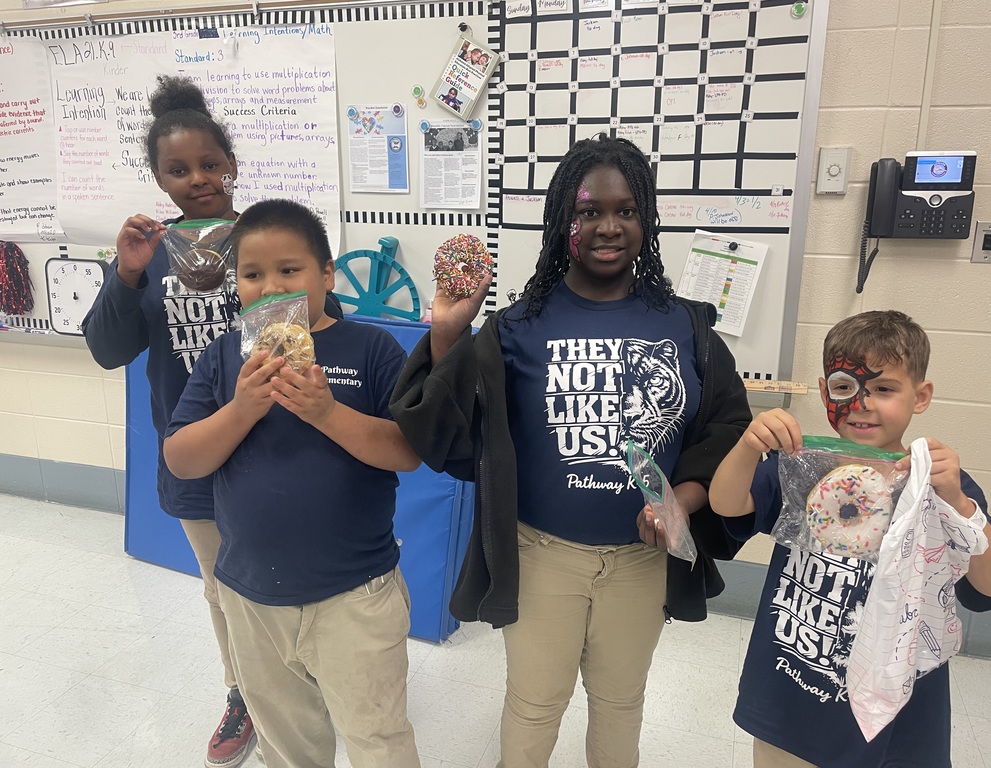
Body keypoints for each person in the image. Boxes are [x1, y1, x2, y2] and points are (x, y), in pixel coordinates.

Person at [389, 134, 752, 767]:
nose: (608, 226)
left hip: (642, 562)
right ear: (563, 221)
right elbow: (451, 435)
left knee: (620, 702)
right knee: (534, 704)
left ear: (647, 219)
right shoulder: (518, 326)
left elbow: (725, 430)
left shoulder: (685, 326)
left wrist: (683, 500)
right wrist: (448, 332)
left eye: (626, 210)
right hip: (541, 557)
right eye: (589, 211)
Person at [163, 199, 422, 768]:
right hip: (251, 596)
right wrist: (241, 410)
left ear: (327, 274)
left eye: (289, 269)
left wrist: (328, 413)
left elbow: (406, 452)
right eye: (252, 274)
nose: (271, 287)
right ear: (236, 283)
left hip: (355, 593)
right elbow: (181, 460)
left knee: (377, 736)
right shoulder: (225, 356)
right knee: (286, 741)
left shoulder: (371, 349)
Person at [707, 310, 991, 768]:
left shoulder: (940, 488)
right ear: (824, 392)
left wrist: (961, 506)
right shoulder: (804, 467)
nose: (861, 403)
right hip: (793, 697)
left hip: (899, 718)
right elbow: (726, 504)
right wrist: (749, 446)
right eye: (844, 387)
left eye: (884, 389)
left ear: (920, 396)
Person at [81, 74, 258, 768]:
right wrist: (126, 274)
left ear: (232, 164)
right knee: (221, 584)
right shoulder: (148, 253)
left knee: (286, 573)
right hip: (191, 448)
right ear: (159, 178)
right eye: (178, 169)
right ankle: (243, 692)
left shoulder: (266, 234)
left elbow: (314, 326)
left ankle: (294, 679)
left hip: (272, 442)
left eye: (210, 164)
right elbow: (108, 349)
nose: (198, 179)